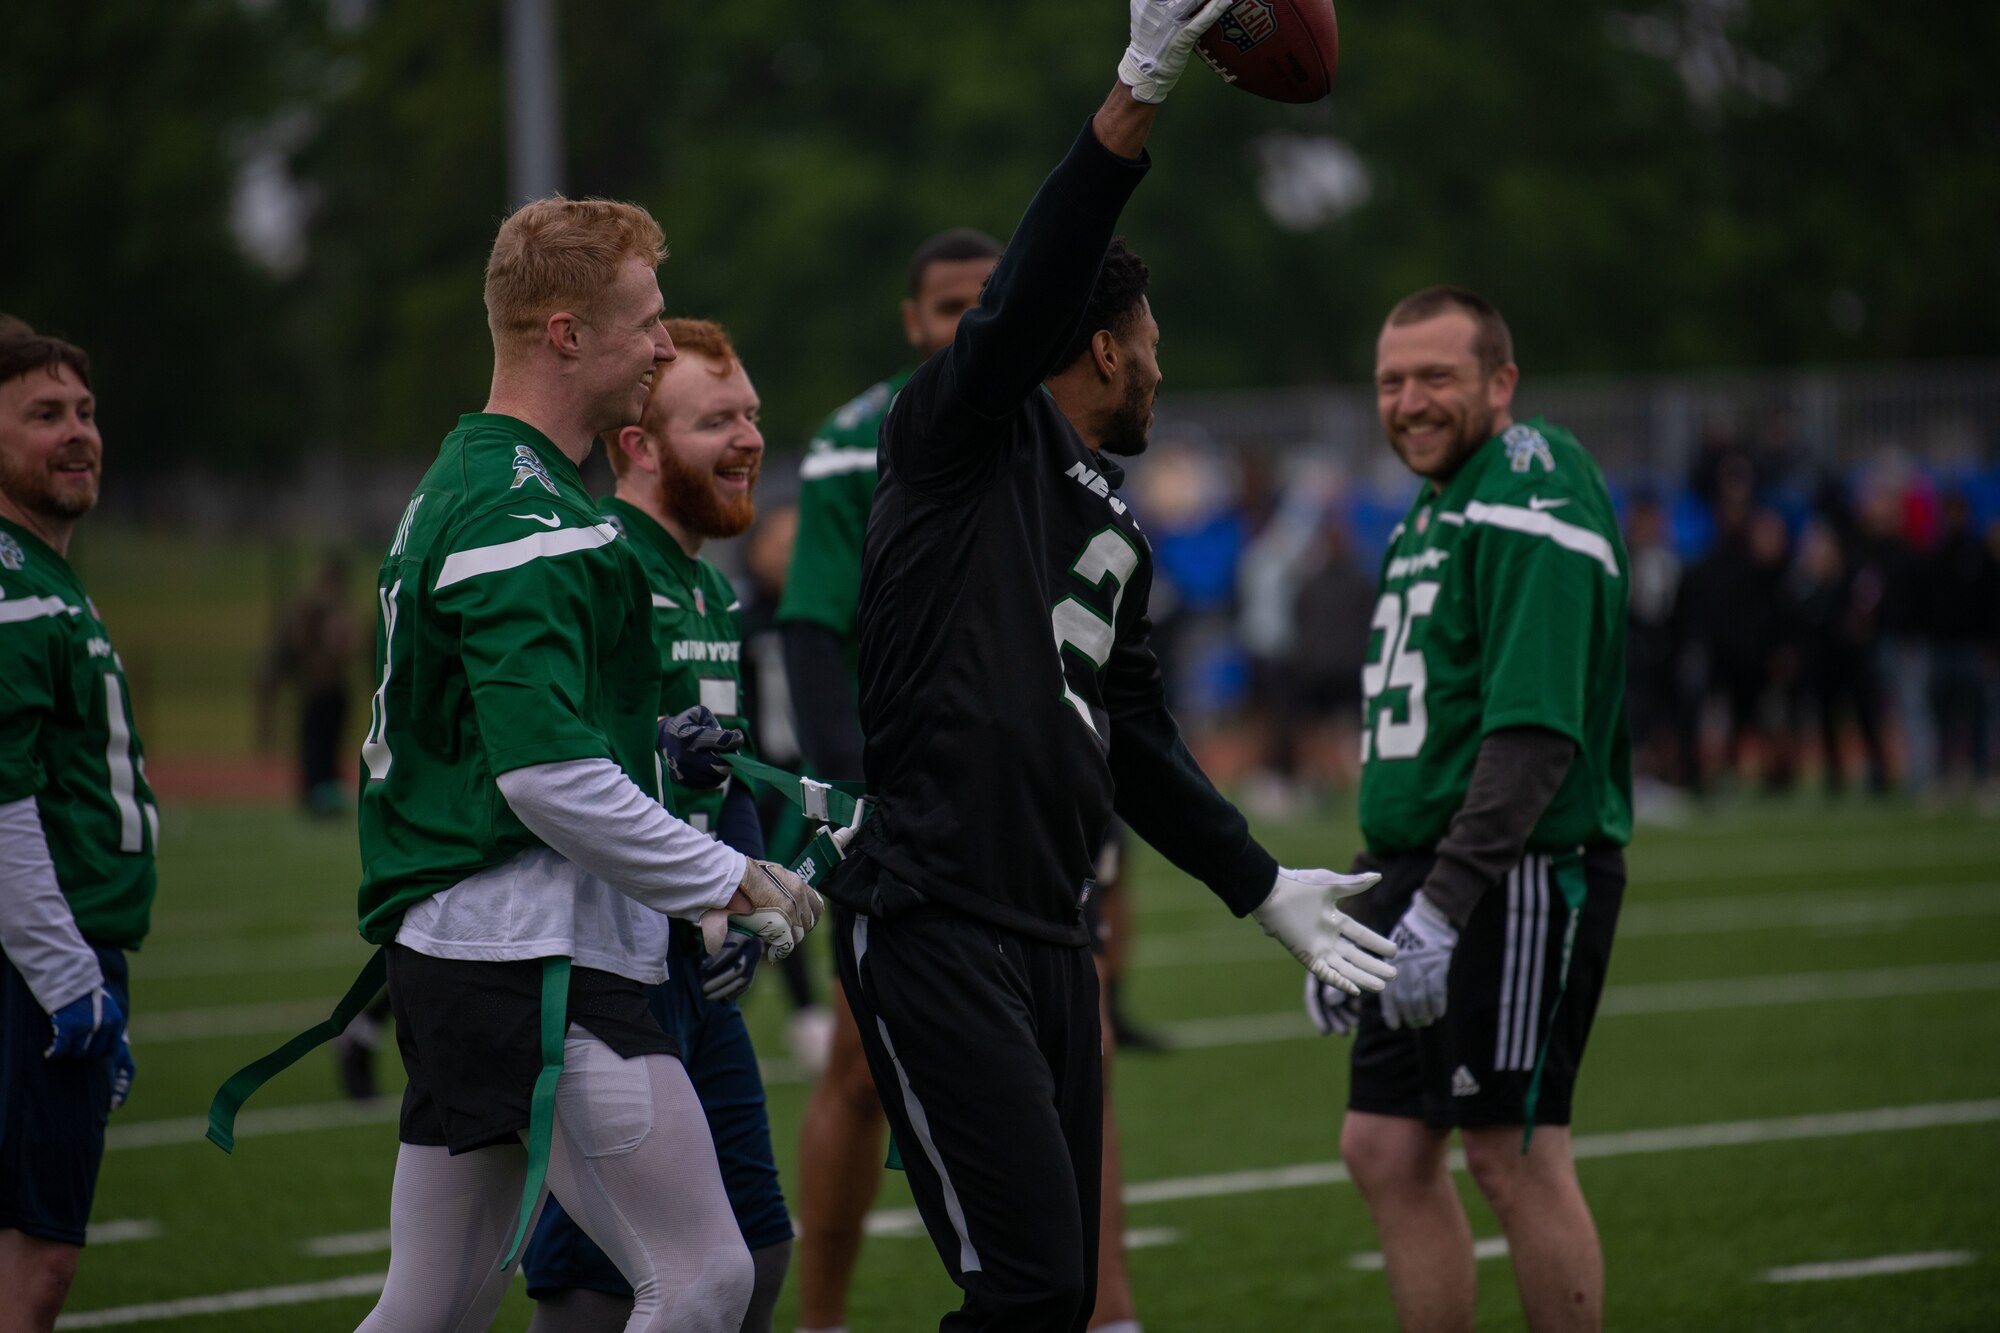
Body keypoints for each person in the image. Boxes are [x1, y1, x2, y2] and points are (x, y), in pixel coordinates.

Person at [823, 9, 1399, 1329]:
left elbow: (1137, 742)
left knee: (1061, 1289)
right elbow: (1031, 287)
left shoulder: (1114, 526)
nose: (1160, 363)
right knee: (1024, 1289)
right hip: (936, 913)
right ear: (1104, 345)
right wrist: (1137, 91)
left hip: (1049, 930)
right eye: (1150, 337)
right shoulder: (957, 440)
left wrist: (1261, 887)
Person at [350, 197, 819, 1333]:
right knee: (704, 1279)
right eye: (645, 322)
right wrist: (728, 880)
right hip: (527, 958)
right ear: (565, 333)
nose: (664, 346)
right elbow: (545, 776)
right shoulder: (523, 509)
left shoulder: (494, 482)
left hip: (478, 952)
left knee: (431, 1307)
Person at [1307, 286, 1630, 1333]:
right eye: (1390, 382)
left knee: (1512, 1151)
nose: (1407, 402)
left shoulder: (1529, 482)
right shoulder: (1439, 499)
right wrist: (1368, 896)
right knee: (1385, 1147)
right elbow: (1428, 730)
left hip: (1517, 865)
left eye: (1434, 377)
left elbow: (1533, 728)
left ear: (1499, 382)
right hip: (1420, 865)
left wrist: (1440, 906)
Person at [522, 318, 794, 1333]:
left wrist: (749, 890)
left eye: (752, 414)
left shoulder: (708, 585)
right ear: (636, 444)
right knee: (596, 1272)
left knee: (757, 1248)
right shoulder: (598, 566)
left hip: (692, 955)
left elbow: (722, 782)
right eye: (714, 419)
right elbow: (552, 772)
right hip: (607, 957)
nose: (748, 437)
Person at [777, 225, 1001, 1333]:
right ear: (911, 322)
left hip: (1019, 792)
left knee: (1068, 1055)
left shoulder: (1046, 419)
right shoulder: (853, 443)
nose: (966, 324)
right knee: (862, 1071)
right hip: (899, 793)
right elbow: (812, 628)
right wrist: (851, 801)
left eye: (986, 302)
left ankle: (1096, 1309)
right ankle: (819, 1321)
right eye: (947, 305)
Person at [0, 324, 156, 1333]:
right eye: (44, 414)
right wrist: (67, 977)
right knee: (40, 1257)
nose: (77, 434)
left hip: (60, 951)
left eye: (86, 413)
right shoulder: (13, 581)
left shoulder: (42, 572)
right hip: (34, 959)